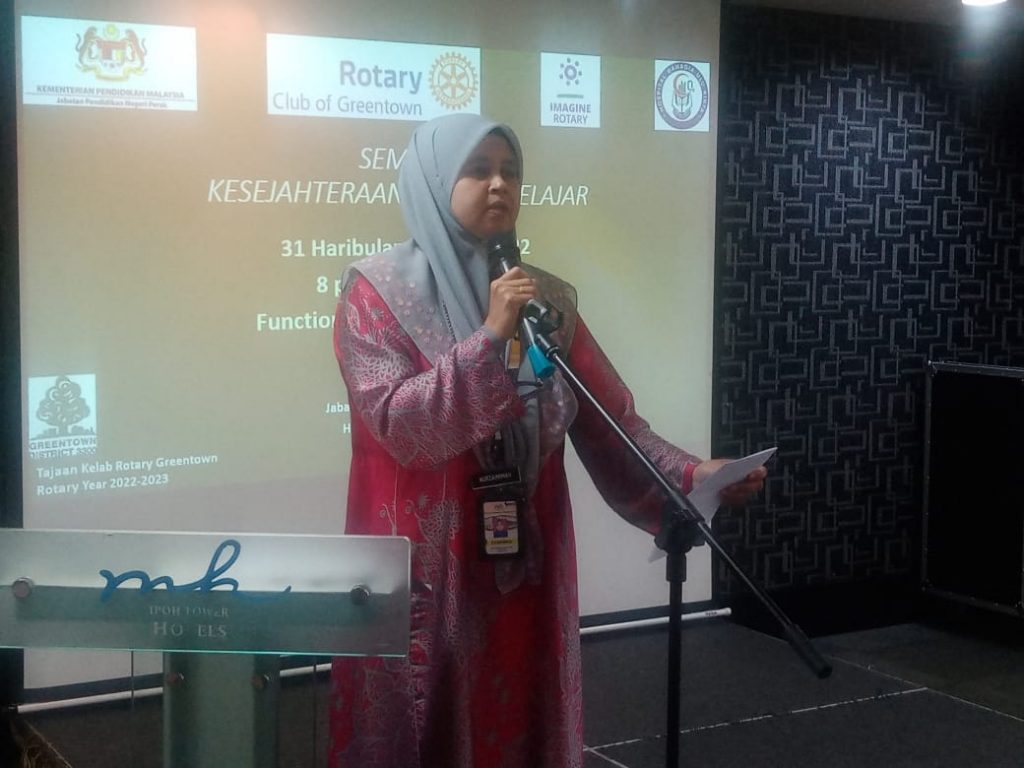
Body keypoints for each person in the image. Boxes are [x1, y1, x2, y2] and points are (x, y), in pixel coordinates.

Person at [329, 113, 766, 768]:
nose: (499, 185)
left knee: (521, 720)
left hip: (525, 564)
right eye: (478, 170)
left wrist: (691, 475)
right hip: (429, 569)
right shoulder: (374, 295)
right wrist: (490, 339)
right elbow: (397, 423)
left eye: (511, 171)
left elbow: (612, 421)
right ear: (432, 182)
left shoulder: (543, 301)